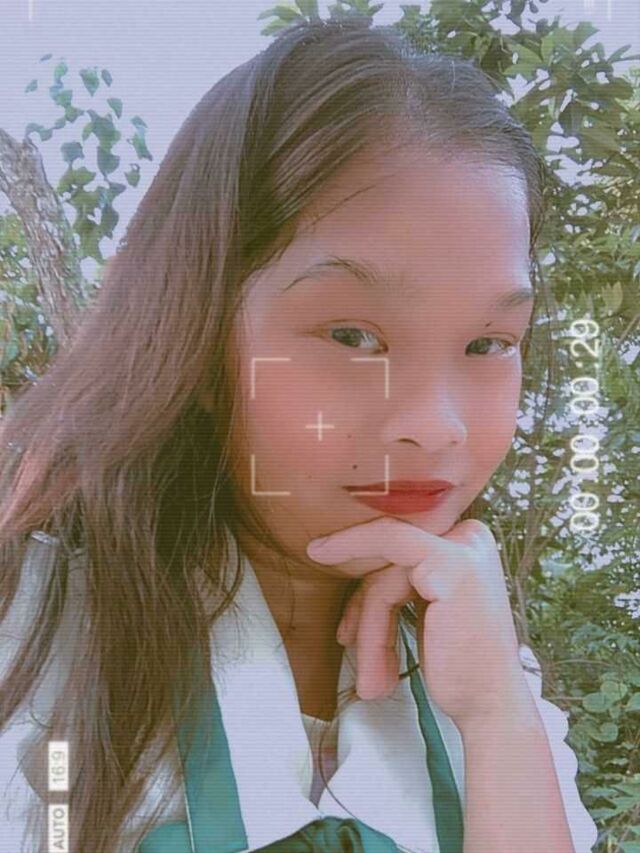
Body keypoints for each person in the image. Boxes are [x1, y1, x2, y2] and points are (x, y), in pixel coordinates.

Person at [0, 16, 598, 853]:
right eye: (354, 335)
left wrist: (499, 715)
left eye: (489, 344)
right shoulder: (35, 625)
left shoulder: (485, 671)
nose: (437, 425)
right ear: (196, 324)